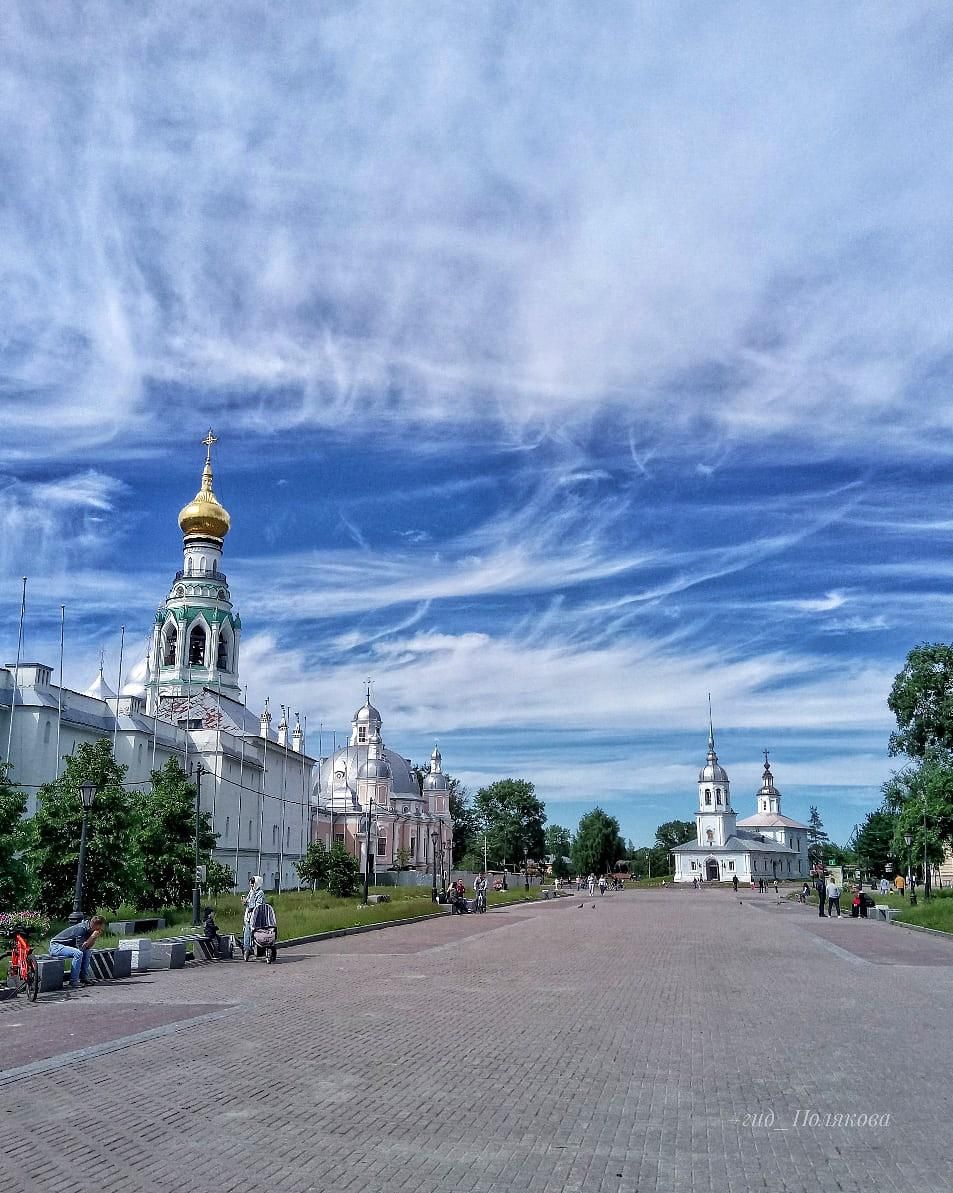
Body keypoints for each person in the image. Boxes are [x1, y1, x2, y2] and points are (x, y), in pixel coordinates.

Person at [49, 915, 106, 989]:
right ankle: (73, 981)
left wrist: (94, 938)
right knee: (78, 953)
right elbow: (81, 948)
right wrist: (92, 937)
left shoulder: (90, 929)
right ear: (96, 925)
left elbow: (88, 947)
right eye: (101, 926)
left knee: (88, 952)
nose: (102, 928)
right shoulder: (81, 929)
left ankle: (83, 978)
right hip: (56, 946)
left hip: (67, 946)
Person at [243, 875, 264, 956]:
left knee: (254, 932)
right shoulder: (251, 891)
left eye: (253, 883)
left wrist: (248, 903)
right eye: (250, 884)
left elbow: (258, 906)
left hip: (256, 916)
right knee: (247, 932)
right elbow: (248, 901)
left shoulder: (260, 893)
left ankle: (254, 947)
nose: (251, 885)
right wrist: (245, 902)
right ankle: (247, 949)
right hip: (249, 915)